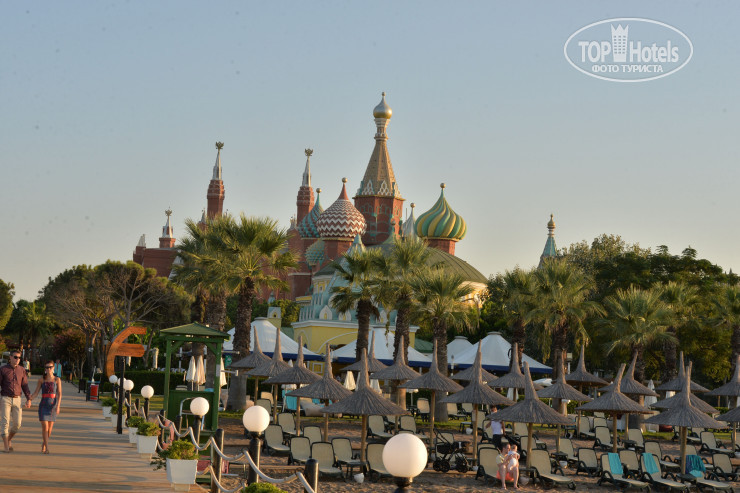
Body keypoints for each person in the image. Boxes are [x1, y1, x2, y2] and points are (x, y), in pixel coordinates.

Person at [0, 350, 33, 453]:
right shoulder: (3, 369)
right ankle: (6, 447)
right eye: (15, 357)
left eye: (19, 358)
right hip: (5, 398)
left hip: (17, 399)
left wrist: (29, 399)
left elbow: (25, 385)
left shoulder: (22, 370)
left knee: (17, 424)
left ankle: (9, 439)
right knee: (5, 423)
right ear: (10, 357)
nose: (17, 359)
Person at [30, 361, 62, 454]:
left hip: (53, 406)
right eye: (46, 367)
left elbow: (59, 394)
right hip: (43, 405)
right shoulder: (41, 380)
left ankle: (44, 444)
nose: (48, 369)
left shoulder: (57, 380)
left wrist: (58, 406)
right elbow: (36, 392)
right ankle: (46, 448)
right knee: (45, 427)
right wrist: (29, 399)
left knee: (50, 429)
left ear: (53, 368)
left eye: (50, 367)